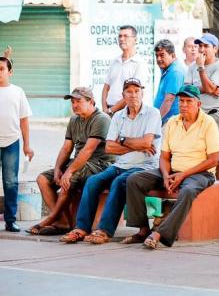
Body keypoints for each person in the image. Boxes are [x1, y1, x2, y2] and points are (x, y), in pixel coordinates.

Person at [59, 78, 161, 244]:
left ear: (143, 93)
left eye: (136, 91)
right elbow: (109, 148)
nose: (133, 95)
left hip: (144, 166)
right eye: (129, 91)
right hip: (120, 164)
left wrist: (122, 140)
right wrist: (134, 144)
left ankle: (104, 230)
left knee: (119, 182)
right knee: (92, 182)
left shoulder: (152, 113)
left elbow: (146, 143)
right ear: (123, 95)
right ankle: (81, 228)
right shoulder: (118, 116)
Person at [123, 84, 219, 249]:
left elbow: (213, 160)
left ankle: (159, 233)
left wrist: (183, 175)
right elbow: (164, 157)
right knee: (134, 180)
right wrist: (166, 175)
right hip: (172, 171)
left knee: (188, 191)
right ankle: (143, 230)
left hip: (200, 173)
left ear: (198, 104)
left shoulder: (208, 123)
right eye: (181, 101)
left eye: (188, 101)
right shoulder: (172, 122)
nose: (183, 105)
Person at [28, 87, 112, 235]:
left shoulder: (102, 119)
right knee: (43, 179)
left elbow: (88, 150)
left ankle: (51, 218)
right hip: (80, 162)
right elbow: (67, 148)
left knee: (70, 177)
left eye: (78, 101)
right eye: (72, 102)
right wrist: (57, 170)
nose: (74, 105)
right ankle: (63, 222)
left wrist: (69, 171)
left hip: (100, 164)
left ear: (91, 101)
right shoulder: (74, 119)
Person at [185, 33, 219, 180]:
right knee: (195, 154)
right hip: (195, 116)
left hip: (213, 114)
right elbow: (187, 91)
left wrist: (201, 69)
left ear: (215, 49)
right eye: (200, 46)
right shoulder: (192, 66)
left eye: (206, 46)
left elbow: (208, 89)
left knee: (218, 155)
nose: (202, 49)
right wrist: (207, 87)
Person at [0, 56, 34, 232]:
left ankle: (10, 220)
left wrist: (27, 145)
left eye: (1, 69)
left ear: (10, 72)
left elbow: (24, 121)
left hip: (12, 142)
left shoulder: (17, 92)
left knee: (10, 182)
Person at [102, 25, 149, 116]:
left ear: (135, 40)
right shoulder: (115, 61)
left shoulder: (140, 63)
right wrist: (104, 109)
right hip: (108, 110)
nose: (122, 39)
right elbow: (106, 88)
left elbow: (133, 93)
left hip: (127, 112)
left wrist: (111, 110)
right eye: (120, 36)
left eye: (125, 36)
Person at [153, 39, 185, 124]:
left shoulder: (175, 72)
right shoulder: (167, 68)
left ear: (173, 55)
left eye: (162, 55)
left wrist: (154, 123)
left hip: (171, 122)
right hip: (167, 120)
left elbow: (169, 100)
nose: (158, 59)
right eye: (157, 56)